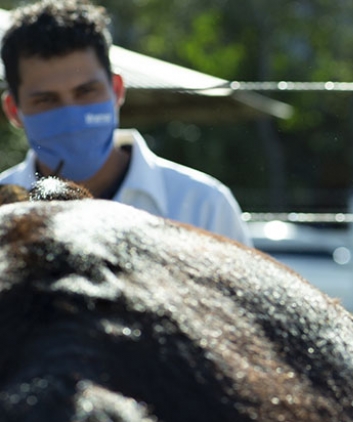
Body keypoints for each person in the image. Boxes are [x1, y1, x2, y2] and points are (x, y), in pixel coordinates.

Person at [0, 0, 250, 245]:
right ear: (14, 110)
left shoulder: (204, 207)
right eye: (46, 100)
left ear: (117, 90)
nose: (71, 114)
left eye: (86, 91)